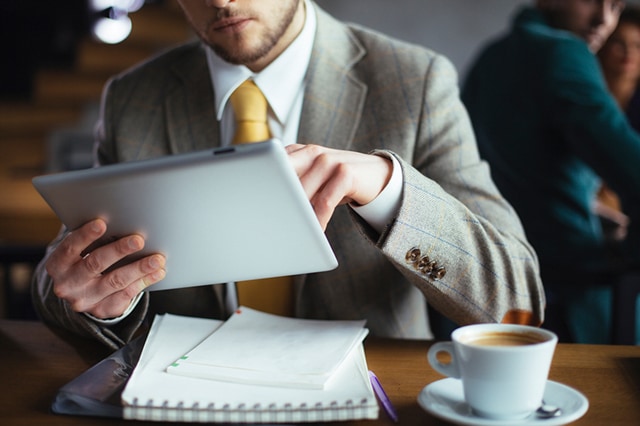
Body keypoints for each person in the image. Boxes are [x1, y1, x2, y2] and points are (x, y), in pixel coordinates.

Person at [32, 0, 545, 350]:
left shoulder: (416, 81)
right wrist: (100, 305)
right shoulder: (131, 98)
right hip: (190, 401)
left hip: (368, 398)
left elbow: (517, 302)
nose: (222, 0)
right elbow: (59, 280)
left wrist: (390, 191)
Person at [462, 0, 640, 343]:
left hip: (488, 283)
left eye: (615, 4)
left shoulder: (492, 55)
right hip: (568, 296)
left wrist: (585, 208)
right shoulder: (564, 53)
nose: (605, 18)